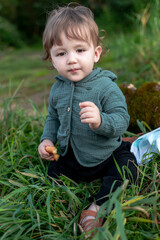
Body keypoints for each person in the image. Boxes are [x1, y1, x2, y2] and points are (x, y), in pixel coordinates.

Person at [38, 3, 137, 237]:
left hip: (106, 155)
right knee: (52, 171)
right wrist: (46, 140)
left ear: (96, 53)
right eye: (62, 53)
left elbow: (121, 120)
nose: (71, 59)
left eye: (80, 50)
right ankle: (63, 197)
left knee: (127, 167)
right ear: (52, 60)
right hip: (72, 155)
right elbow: (52, 117)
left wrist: (101, 121)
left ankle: (97, 206)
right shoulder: (57, 90)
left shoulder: (106, 87)